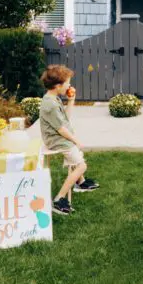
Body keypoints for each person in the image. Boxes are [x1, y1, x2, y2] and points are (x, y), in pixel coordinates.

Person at [38, 64, 99, 215]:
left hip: (60, 137)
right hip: (57, 140)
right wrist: (75, 140)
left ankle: (81, 182)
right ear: (58, 86)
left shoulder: (53, 98)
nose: (69, 85)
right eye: (67, 83)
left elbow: (65, 120)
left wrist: (71, 101)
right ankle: (59, 199)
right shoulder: (50, 104)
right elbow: (61, 129)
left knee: (76, 155)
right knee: (81, 166)